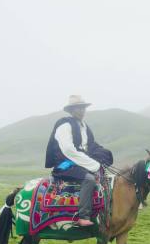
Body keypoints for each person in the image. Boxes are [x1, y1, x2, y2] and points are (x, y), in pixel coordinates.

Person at [44, 95, 112, 227]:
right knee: (90, 179)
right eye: (78, 108)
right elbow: (68, 150)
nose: (81, 111)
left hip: (79, 162)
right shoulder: (64, 126)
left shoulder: (84, 127)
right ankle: (83, 216)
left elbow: (90, 145)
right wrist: (92, 164)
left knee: (105, 176)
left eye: (83, 108)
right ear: (71, 110)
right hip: (65, 164)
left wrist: (102, 155)